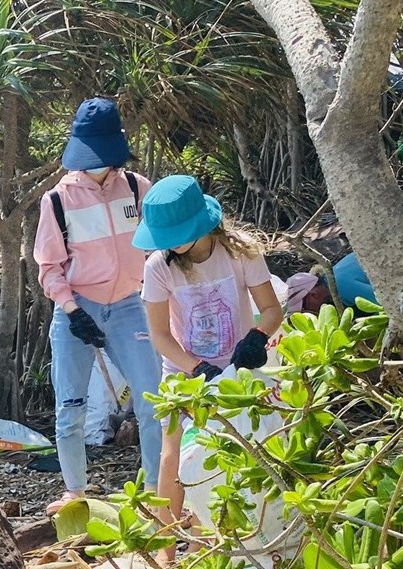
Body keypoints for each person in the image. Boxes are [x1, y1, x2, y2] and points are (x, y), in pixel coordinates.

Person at [34, 98, 162, 512]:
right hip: (77, 308)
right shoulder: (58, 200)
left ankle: (160, 490)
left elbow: (160, 252)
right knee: (70, 406)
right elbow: (49, 267)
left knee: (153, 402)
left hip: (129, 306)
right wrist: (72, 311)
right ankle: (74, 490)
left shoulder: (138, 188)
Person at [133, 175, 284, 523]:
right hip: (185, 368)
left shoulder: (239, 251)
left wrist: (257, 338)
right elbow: (159, 335)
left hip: (239, 368)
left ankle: (220, 540)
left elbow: (272, 309)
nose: (172, 245)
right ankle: (165, 549)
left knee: (243, 447)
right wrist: (196, 367)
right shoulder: (159, 266)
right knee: (172, 455)